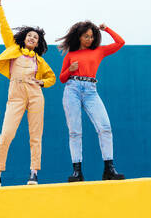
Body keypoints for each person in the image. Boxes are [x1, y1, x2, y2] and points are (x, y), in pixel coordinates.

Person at [0, 0, 56, 187]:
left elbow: (51, 77)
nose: (32, 38)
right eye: (30, 35)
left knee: (35, 135)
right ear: (24, 38)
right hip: (16, 95)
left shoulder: (40, 61)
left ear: (38, 43)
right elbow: (4, 28)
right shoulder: (14, 49)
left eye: (36, 37)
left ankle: (34, 172)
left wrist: (42, 83)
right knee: (7, 133)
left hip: (35, 95)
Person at [57, 21, 125, 182]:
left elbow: (120, 43)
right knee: (75, 131)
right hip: (72, 89)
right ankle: (77, 172)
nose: (89, 39)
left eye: (92, 36)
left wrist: (106, 29)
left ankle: (109, 169)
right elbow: (61, 78)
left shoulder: (99, 51)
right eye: (86, 36)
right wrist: (69, 70)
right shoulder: (70, 55)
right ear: (79, 37)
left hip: (91, 90)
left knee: (105, 127)